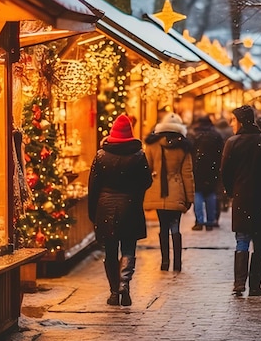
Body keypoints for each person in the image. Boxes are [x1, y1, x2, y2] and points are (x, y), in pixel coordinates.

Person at [88, 114, 153, 306]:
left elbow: (93, 186)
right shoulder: (138, 155)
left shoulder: (101, 155)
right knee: (128, 248)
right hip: (130, 206)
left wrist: (93, 212)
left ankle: (114, 292)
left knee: (110, 250)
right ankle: (124, 284)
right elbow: (146, 181)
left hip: (105, 207)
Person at [221, 105, 261, 296]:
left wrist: (232, 191)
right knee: (260, 243)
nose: (231, 124)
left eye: (233, 120)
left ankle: (239, 283)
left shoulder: (232, 143)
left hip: (242, 198)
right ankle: (255, 285)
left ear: (241, 121)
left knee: (242, 241)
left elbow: (225, 172)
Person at [144, 112, 194, 272]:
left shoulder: (152, 145)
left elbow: (146, 169)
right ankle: (177, 264)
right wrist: (190, 197)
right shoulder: (184, 147)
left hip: (158, 191)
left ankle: (165, 262)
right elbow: (187, 173)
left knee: (163, 226)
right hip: (177, 191)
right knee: (175, 227)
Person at [187, 116, 224, 231]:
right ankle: (210, 221)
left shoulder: (193, 135)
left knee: (197, 193)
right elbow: (221, 152)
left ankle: (199, 221)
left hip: (196, 168)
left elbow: (189, 151)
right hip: (212, 168)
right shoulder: (216, 135)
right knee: (211, 194)